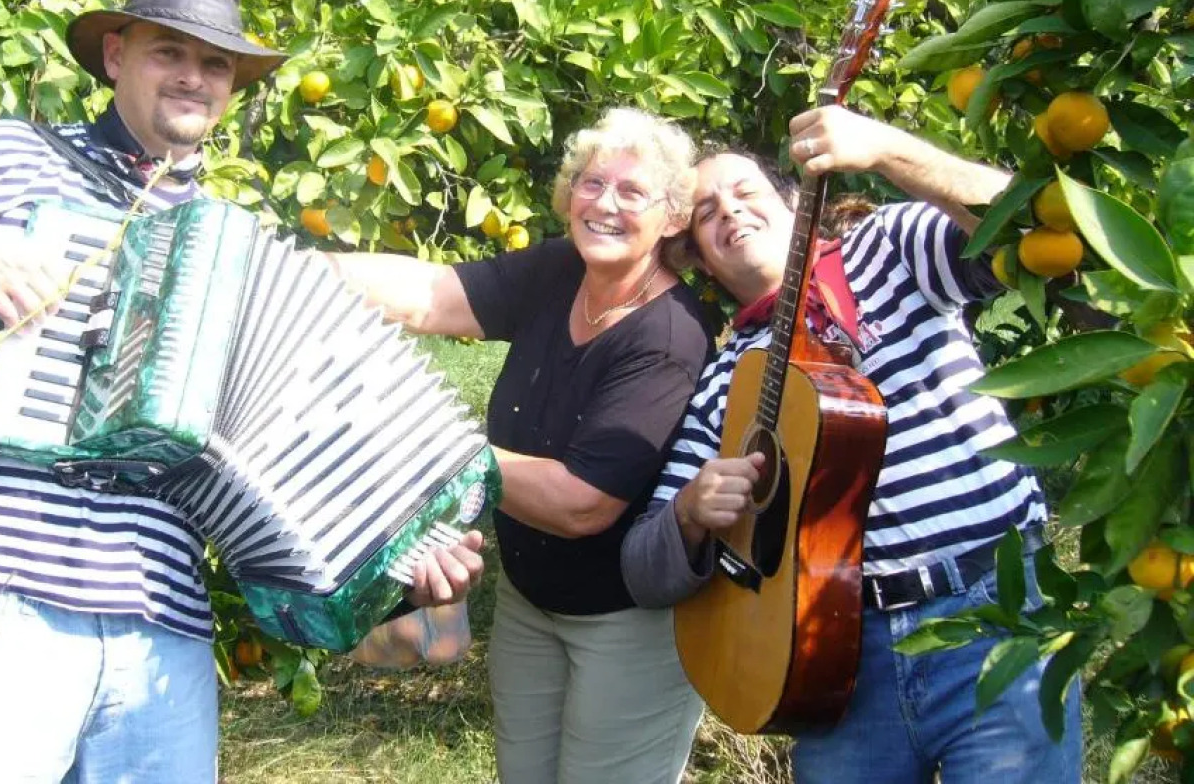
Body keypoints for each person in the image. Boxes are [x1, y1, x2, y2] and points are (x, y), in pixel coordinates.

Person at [0, 0, 484, 784]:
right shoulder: (2, 156)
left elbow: (286, 460)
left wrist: (399, 558)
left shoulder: (233, 245)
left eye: (215, 63)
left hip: (161, 626)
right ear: (114, 56)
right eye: (166, 52)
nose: (192, 76)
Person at [620, 104, 1082, 783]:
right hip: (830, 655)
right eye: (706, 213)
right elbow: (643, 568)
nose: (729, 212)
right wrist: (689, 512)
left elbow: (1039, 232)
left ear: (792, 201)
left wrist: (888, 149)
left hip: (991, 612)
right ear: (698, 256)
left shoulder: (890, 248)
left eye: (745, 192)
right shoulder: (725, 378)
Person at [328, 107, 708, 783]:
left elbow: (582, 505)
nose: (605, 204)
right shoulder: (561, 271)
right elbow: (428, 297)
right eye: (592, 183)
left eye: (632, 192)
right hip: (533, 602)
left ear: (674, 217)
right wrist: (279, 264)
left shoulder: (669, 337)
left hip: (626, 623)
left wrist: (430, 446)